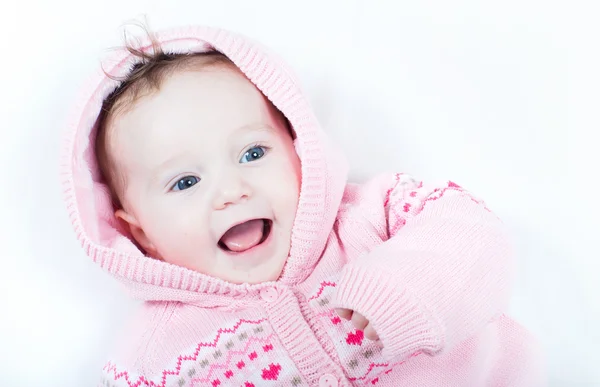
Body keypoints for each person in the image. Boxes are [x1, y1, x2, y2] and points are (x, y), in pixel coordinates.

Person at [62, 24, 543, 386]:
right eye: (185, 181)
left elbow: (473, 231)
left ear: (298, 147)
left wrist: (404, 292)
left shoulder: (372, 215)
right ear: (140, 232)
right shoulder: (152, 357)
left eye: (253, 153)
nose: (232, 190)